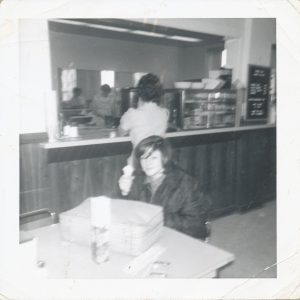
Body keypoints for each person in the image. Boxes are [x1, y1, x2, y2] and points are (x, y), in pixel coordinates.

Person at [117, 135, 211, 240]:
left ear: (164, 158)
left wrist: (158, 218)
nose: (147, 163)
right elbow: (125, 214)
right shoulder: (137, 181)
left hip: (178, 240)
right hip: (149, 238)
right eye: (143, 158)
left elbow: (197, 225)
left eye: (153, 157)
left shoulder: (186, 184)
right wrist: (124, 192)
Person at [117, 73, 169, 166]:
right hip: (157, 163)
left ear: (140, 92)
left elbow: (120, 133)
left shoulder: (132, 114)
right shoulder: (164, 113)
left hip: (139, 163)